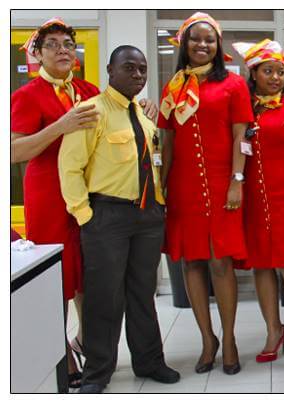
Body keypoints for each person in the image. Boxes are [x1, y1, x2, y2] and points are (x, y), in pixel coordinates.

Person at [10, 17, 155, 388]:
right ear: (38, 54)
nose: (62, 50)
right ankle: (60, 356)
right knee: (56, 279)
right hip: (47, 195)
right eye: (53, 44)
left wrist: (143, 113)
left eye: (67, 45)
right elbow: (13, 152)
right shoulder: (27, 95)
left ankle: (90, 347)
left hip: (92, 197)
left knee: (91, 278)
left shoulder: (90, 89)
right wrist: (62, 126)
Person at [58, 45, 180, 393]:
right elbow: (69, 168)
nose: (138, 75)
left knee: (143, 293)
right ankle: (98, 372)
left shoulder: (143, 116)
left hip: (147, 216)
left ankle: (149, 361)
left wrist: (158, 208)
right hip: (106, 216)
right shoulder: (90, 111)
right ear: (110, 69)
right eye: (130, 68)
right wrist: (86, 216)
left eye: (142, 69)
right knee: (104, 297)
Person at [158, 12, 253, 375]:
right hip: (183, 188)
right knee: (191, 262)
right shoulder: (174, 87)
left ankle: (228, 340)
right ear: (185, 45)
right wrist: (162, 187)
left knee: (220, 261)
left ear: (218, 45)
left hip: (222, 184)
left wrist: (236, 181)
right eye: (195, 39)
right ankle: (206, 339)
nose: (202, 45)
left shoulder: (232, 84)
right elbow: (168, 141)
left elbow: (240, 138)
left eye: (209, 40)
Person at [231, 39, 284, 374]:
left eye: (281, 72)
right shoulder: (245, 110)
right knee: (262, 267)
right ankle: (273, 331)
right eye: (268, 71)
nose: (276, 77)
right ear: (253, 73)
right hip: (253, 203)